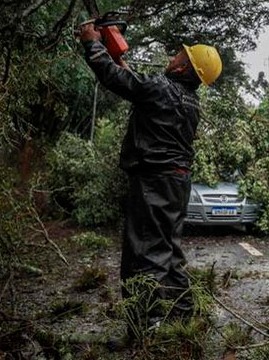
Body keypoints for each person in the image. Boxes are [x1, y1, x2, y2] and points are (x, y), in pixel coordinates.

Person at [78, 22, 222, 328]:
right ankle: (183, 320)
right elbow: (135, 85)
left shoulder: (160, 88)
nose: (172, 58)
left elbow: (117, 80)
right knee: (168, 251)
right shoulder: (190, 102)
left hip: (153, 182)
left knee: (143, 257)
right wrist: (115, 52)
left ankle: (145, 329)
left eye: (178, 56)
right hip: (176, 183)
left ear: (184, 69)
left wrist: (92, 43)